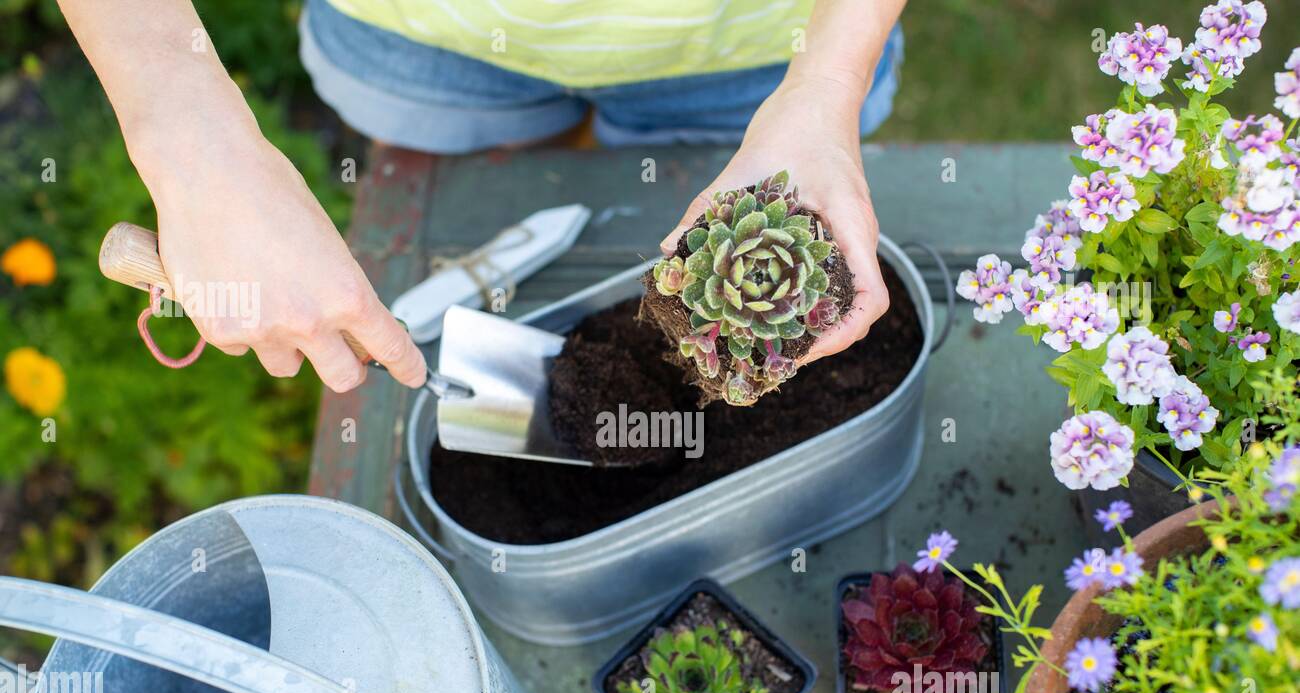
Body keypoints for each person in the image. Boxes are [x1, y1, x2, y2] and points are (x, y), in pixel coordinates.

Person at [59, 0, 906, 393]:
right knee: (500, 165)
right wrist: (198, 149)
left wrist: (828, 80)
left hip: (767, 45)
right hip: (419, 39)